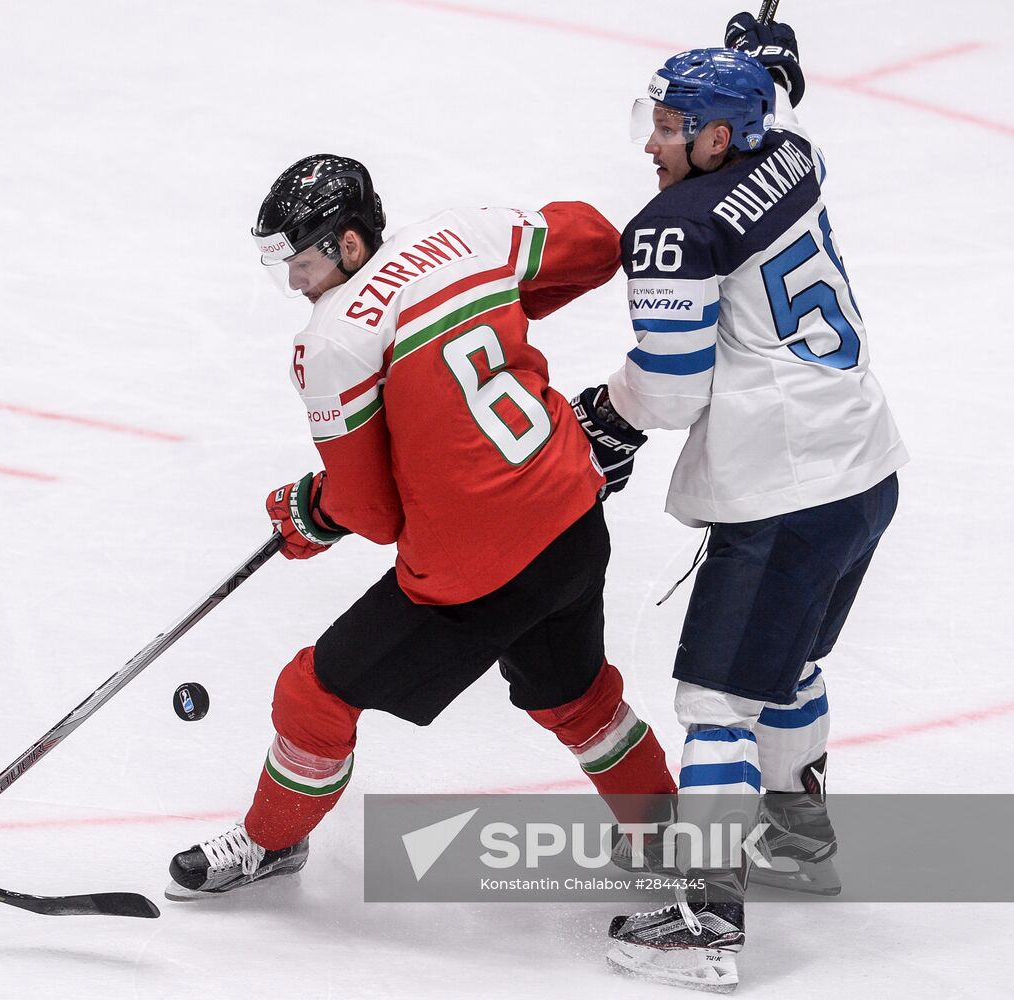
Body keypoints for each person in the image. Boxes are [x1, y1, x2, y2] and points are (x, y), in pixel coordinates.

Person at [163, 153, 679, 899]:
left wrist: (316, 511)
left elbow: (372, 512)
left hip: (475, 574)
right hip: (570, 519)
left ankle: (272, 842)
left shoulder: (333, 340)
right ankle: (667, 836)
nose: (293, 282)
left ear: (346, 243)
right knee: (578, 695)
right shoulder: (465, 233)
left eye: (300, 261)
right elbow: (599, 243)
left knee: (313, 693)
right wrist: (506, 302)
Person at [585, 14, 908, 993]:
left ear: (720, 137)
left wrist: (607, 413)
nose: (652, 140)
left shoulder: (676, 231)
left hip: (785, 490)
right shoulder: (796, 156)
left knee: (716, 702)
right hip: (865, 466)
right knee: (791, 663)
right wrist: (762, 70)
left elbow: (673, 390)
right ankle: (799, 840)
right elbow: (777, 116)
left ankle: (704, 921)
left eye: (673, 123)